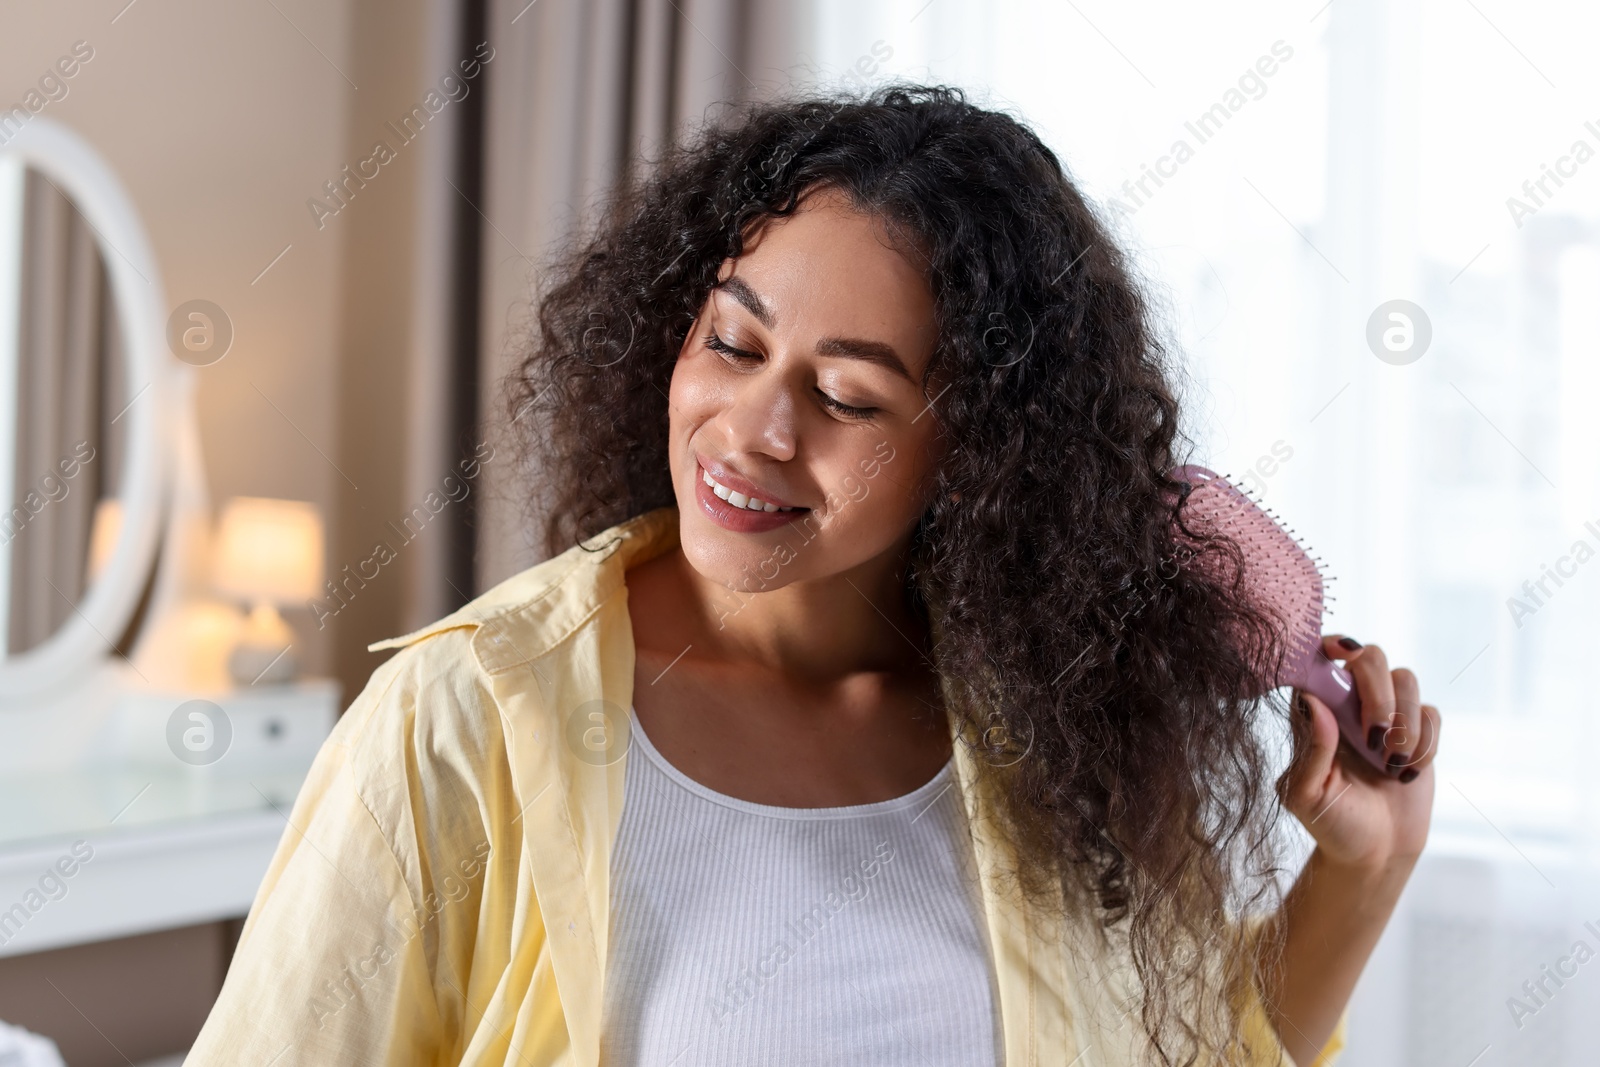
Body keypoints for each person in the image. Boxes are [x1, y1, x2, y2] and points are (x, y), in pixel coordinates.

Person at [187, 84, 1440, 1066]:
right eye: (731, 342)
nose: (754, 429)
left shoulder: (1065, 729)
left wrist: (1364, 865)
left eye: (846, 395)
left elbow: (1194, 1047)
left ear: (982, 456)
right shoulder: (462, 723)